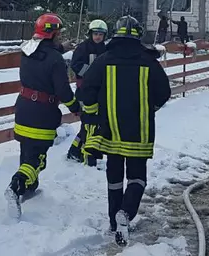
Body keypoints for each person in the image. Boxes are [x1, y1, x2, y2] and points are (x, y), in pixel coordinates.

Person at [79, 15, 172, 246]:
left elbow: (86, 92)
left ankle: (113, 220)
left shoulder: (103, 60)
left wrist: (95, 113)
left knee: (114, 175)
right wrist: (150, 109)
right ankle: (127, 213)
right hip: (139, 131)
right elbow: (164, 92)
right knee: (137, 176)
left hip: (109, 131)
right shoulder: (149, 61)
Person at [6, 13, 80, 214]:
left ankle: (28, 190)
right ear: (54, 33)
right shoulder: (55, 59)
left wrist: (62, 47)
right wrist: (76, 108)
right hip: (43, 113)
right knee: (37, 159)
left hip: (23, 109)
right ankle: (16, 186)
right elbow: (63, 90)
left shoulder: (27, 52)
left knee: (26, 152)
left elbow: (44, 54)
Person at [67, 19, 109, 165]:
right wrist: (91, 74)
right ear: (90, 34)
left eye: (100, 34)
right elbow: (75, 65)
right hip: (84, 91)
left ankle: (75, 150)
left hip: (100, 92)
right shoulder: (83, 48)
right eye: (95, 34)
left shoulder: (105, 49)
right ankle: (84, 154)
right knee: (88, 123)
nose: (98, 37)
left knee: (90, 124)